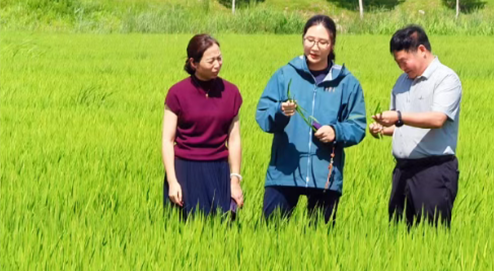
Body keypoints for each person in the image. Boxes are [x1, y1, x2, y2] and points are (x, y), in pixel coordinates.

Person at [256, 15, 366, 224]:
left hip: (325, 176)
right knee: (270, 233)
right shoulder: (285, 75)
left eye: (322, 42)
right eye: (310, 40)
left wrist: (336, 131)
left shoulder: (346, 82)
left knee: (320, 238)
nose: (314, 47)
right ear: (303, 39)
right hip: (284, 172)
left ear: (332, 44)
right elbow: (263, 115)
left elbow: (358, 125)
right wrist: (280, 111)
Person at [370, 25, 462, 228]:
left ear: (422, 50)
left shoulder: (446, 79)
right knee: (399, 234)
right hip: (402, 171)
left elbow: (437, 119)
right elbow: (402, 125)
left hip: (433, 171)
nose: (402, 67)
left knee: (432, 235)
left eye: (404, 61)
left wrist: (398, 116)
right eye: (398, 63)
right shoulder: (401, 82)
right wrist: (383, 129)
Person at [162, 34, 244, 219]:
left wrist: (235, 180)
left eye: (219, 58)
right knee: (183, 227)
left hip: (218, 170)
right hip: (185, 171)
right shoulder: (177, 93)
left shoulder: (231, 92)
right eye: (211, 60)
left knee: (221, 227)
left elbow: (234, 139)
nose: (217, 64)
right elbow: (167, 140)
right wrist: (172, 181)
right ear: (194, 63)